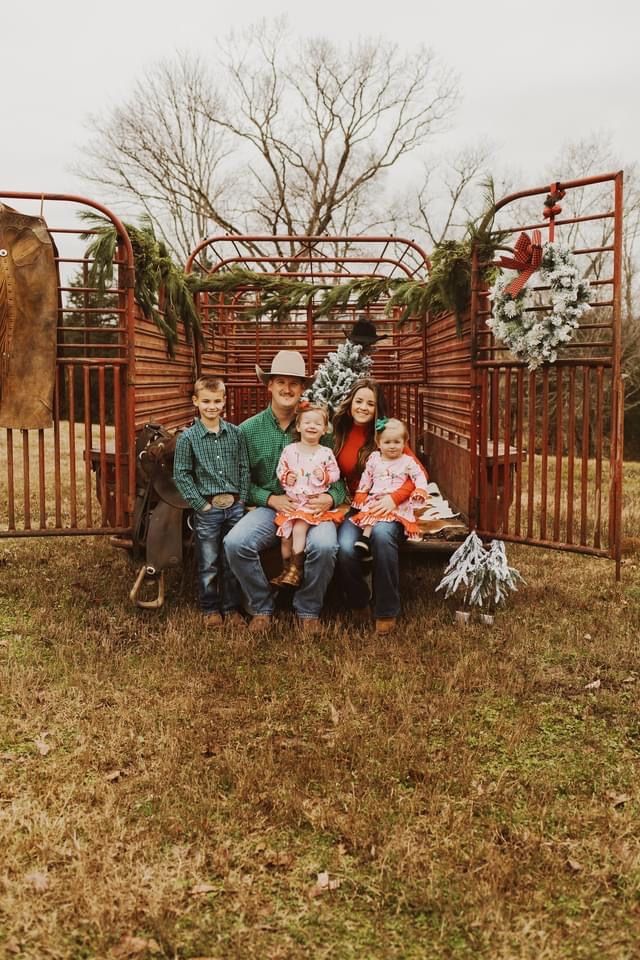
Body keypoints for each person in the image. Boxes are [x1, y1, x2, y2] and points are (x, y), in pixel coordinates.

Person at [224, 350, 345, 635]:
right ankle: (262, 606)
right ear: (269, 386)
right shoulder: (248, 430)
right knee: (236, 543)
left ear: (303, 388)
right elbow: (240, 482)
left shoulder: (317, 428)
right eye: (280, 382)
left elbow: (339, 482)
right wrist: (270, 498)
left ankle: (308, 610)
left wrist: (330, 498)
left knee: (326, 546)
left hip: (314, 508)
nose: (287, 389)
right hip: (271, 508)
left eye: (294, 383)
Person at [332, 378, 426, 635]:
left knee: (383, 537)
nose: (363, 407)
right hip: (357, 505)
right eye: (359, 401)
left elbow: (417, 472)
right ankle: (359, 600)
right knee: (345, 549)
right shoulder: (339, 431)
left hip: (389, 505)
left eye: (370, 404)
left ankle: (386, 609)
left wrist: (395, 498)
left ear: (377, 409)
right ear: (350, 402)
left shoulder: (388, 435)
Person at [173, 376, 250, 628]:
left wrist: (243, 499)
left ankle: (232, 607)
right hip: (208, 508)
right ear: (196, 401)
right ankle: (210, 608)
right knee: (209, 561)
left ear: (224, 402)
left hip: (234, 507)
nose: (212, 406)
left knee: (231, 559)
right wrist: (200, 504)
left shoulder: (236, 434)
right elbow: (181, 473)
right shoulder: (188, 438)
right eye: (206, 401)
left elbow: (243, 468)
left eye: (217, 401)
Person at [271, 401, 344, 588]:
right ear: (298, 426)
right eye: (307, 422)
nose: (312, 426)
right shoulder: (290, 450)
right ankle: (287, 570)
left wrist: (325, 476)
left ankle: (297, 569)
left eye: (318, 423)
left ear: (324, 430)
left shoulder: (325, 453)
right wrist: (287, 477)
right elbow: (281, 470)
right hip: (293, 503)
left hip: (310, 504)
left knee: (298, 529)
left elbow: (336, 474)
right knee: (285, 537)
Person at [350, 417, 429, 557]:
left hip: (397, 504)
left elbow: (419, 476)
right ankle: (365, 540)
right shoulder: (374, 459)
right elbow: (366, 477)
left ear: (404, 443)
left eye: (397, 442)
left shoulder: (407, 462)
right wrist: (362, 492)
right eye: (387, 442)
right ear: (378, 443)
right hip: (377, 498)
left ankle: (368, 542)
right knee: (371, 513)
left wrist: (420, 489)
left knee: (382, 519)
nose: (392, 446)